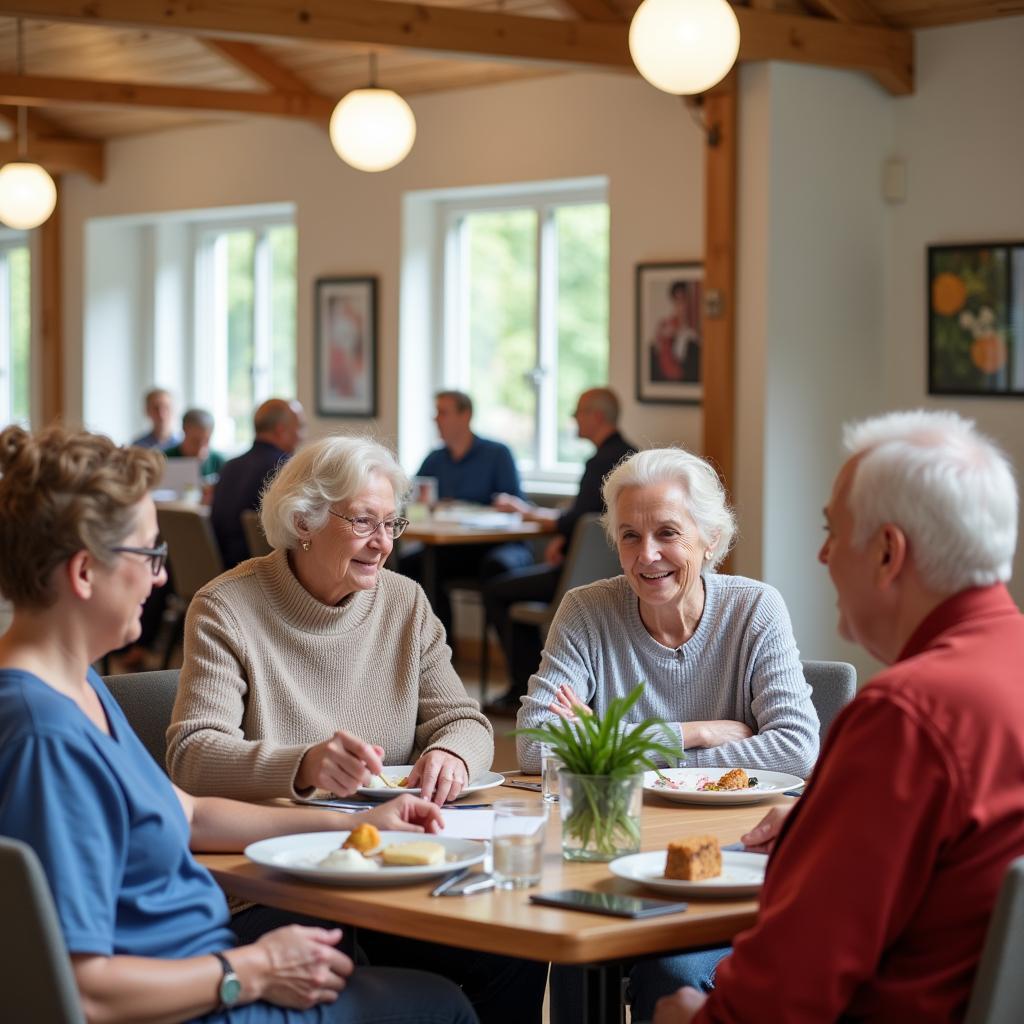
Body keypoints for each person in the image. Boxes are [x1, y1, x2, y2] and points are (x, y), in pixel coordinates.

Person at [0, 423, 477, 1024]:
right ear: (83, 573)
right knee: (442, 1006)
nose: (161, 578)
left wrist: (362, 826)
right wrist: (252, 971)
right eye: (149, 555)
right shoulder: (44, 735)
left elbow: (192, 813)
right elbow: (80, 991)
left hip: (206, 966)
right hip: (203, 997)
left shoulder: (76, 687)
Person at [649, 410, 1024, 1024]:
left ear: (887, 552)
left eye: (833, 530)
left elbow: (780, 998)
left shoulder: (907, 719)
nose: (822, 555)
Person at [168, 434, 546, 1023]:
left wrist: (452, 754)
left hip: (394, 862)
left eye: (393, 525)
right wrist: (303, 763)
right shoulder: (227, 606)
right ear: (303, 522)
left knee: (514, 945)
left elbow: (465, 719)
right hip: (283, 874)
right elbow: (192, 756)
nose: (383, 544)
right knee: (356, 957)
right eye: (365, 522)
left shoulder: (406, 604)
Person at [482, 387, 637, 713]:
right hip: (616, 574)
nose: (572, 418)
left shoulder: (601, 463)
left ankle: (525, 686)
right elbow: (587, 518)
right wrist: (566, 540)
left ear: (596, 416)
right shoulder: (630, 456)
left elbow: (577, 520)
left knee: (497, 589)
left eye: (578, 412)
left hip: (578, 579)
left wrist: (528, 513)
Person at [399, 390, 533, 639]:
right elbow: (413, 499)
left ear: (465, 415)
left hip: (495, 546)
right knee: (409, 566)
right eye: (436, 413)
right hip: (453, 548)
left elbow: (514, 506)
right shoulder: (435, 459)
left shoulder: (497, 454)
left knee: (498, 568)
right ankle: (439, 651)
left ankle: (520, 666)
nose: (436, 419)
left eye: (443, 412)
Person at [211, 398, 306, 568]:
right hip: (262, 574)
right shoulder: (286, 469)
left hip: (222, 570)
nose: (301, 436)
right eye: (298, 428)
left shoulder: (229, 467)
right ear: (280, 430)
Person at [164, 407, 226, 483]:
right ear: (184, 430)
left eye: (206, 440)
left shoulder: (219, 461)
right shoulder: (166, 459)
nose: (201, 448)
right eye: (195, 441)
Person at [131, 386, 182, 451]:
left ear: (174, 410)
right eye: (156, 408)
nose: (161, 414)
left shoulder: (183, 445)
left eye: (166, 407)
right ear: (147, 411)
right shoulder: (137, 447)